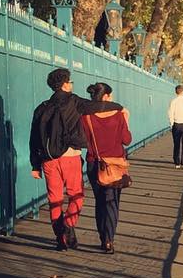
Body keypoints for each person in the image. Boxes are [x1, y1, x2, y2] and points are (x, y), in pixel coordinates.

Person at [29, 68, 123, 250]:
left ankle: (60, 237)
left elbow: (33, 137)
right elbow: (97, 106)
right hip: (70, 157)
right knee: (76, 195)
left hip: (48, 160)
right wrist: (118, 107)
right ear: (65, 84)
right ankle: (68, 224)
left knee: (54, 199)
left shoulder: (41, 108)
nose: (72, 84)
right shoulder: (74, 101)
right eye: (70, 82)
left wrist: (35, 165)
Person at [81, 82, 132, 253]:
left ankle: (103, 236)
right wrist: (126, 120)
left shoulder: (86, 116)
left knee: (100, 201)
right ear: (106, 97)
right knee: (112, 202)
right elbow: (126, 140)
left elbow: (83, 139)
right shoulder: (118, 115)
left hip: (94, 163)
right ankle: (109, 239)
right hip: (115, 164)